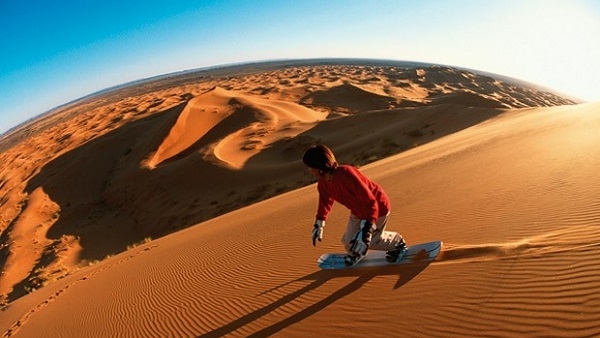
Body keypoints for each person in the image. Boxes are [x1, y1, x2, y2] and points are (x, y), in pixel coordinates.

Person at [303, 144, 406, 266]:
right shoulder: (323, 183)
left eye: (310, 167)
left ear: (319, 166)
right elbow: (325, 202)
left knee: (369, 241)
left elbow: (371, 202)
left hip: (377, 208)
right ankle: (358, 253)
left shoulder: (347, 174)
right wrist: (319, 223)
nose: (309, 170)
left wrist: (367, 229)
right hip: (358, 211)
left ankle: (397, 243)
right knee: (349, 243)